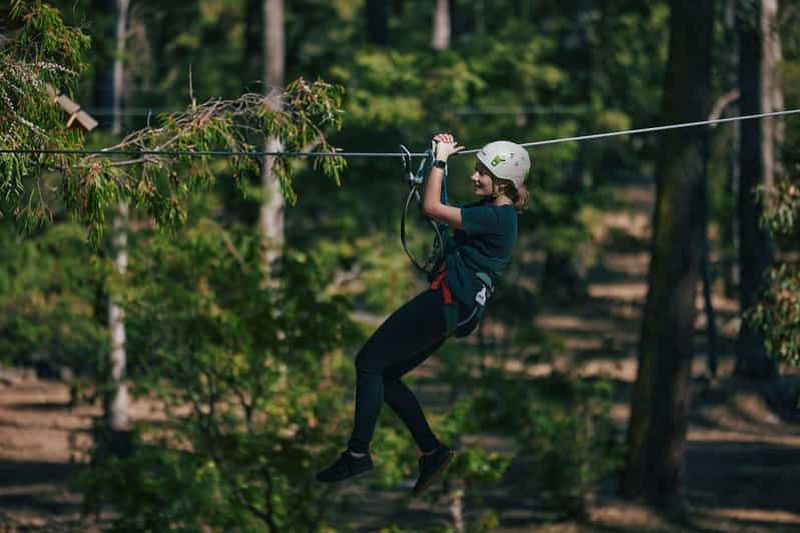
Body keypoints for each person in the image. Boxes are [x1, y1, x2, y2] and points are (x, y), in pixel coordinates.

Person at [315, 133, 530, 495]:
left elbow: (430, 209)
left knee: (368, 363)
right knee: (386, 376)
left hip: (445, 302)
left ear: (504, 182)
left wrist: (441, 160)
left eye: (481, 173)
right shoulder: (489, 213)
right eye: (475, 170)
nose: (474, 177)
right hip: (453, 308)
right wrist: (436, 164)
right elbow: (441, 210)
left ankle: (357, 452)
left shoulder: (498, 218)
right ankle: (431, 450)